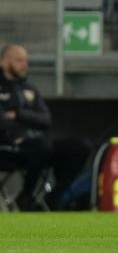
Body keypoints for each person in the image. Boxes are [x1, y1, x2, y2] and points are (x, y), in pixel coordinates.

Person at [0, 44, 91, 211]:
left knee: (80, 146)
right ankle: (26, 196)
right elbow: (3, 122)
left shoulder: (29, 89)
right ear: (4, 62)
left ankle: (56, 196)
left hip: (38, 145)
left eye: (26, 60)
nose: (24, 65)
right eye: (19, 60)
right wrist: (27, 121)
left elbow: (45, 120)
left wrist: (19, 114)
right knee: (41, 147)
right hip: (8, 148)